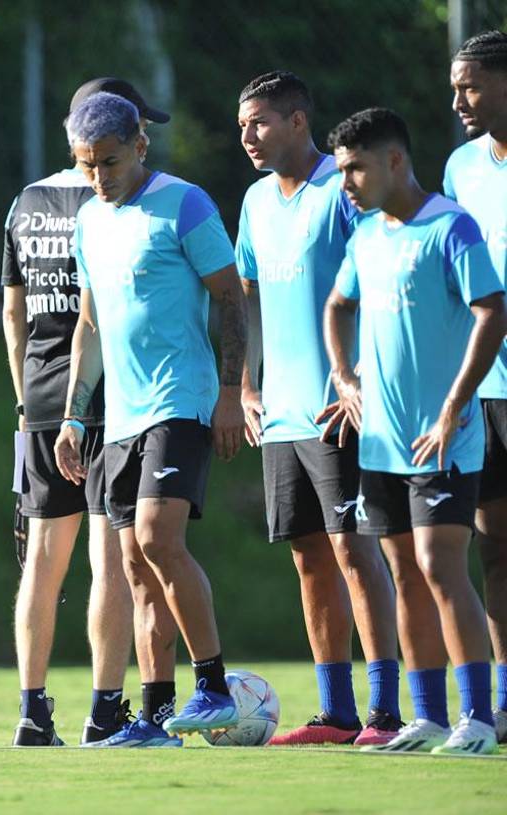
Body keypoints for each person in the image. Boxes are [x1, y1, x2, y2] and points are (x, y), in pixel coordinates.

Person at [54, 91, 248, 747]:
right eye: (86, 166)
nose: (98, 178)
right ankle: (157, 716)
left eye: (108, 163)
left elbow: (230, 298)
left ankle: (215, 685)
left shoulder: (185, 203)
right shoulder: (88, 222)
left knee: (159, 539)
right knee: (134, 563)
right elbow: (90, 323)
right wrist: (74, 415)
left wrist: (230, 391)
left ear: (139, 146)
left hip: (181, 400)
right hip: (121, 417)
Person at [322, 107, 507, 755]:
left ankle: (478, 719)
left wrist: (458, 402)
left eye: (355, 168)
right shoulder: (367, 234)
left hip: (442, 436)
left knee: (439, 565)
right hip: (381, 442)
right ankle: (426, 716)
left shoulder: (450, 226)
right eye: (342, 169)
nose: (346, 181)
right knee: (402, 571)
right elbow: (337, 305)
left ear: (395, 161)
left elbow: (492, 309)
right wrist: (344, 379)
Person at [233, 71, 401, 747]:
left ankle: (388, 714)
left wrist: (362, 377)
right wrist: (246, 387)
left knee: (356, 552)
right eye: (242, 124)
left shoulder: (345, 189)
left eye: (260, 122)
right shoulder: (252, 201)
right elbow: (244, 298)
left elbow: (390, 271)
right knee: (309, 556)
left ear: (299, 121)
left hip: (341, 410)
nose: (247, 135)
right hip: (283, 413)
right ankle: (336, 712)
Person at [2, 78, 171, 747]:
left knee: (42, 559)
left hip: (40, 397)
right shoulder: (117, 200)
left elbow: (14, 311)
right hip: (107, 394)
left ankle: (30, 708)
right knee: (110, 558)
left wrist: (24, 399)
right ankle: (105, 706)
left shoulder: (26, 201)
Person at [445, 29, 507, 744]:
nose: (458, 99)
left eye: (471, 85)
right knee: (493, 546)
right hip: (482, 387)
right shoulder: (462, 166)